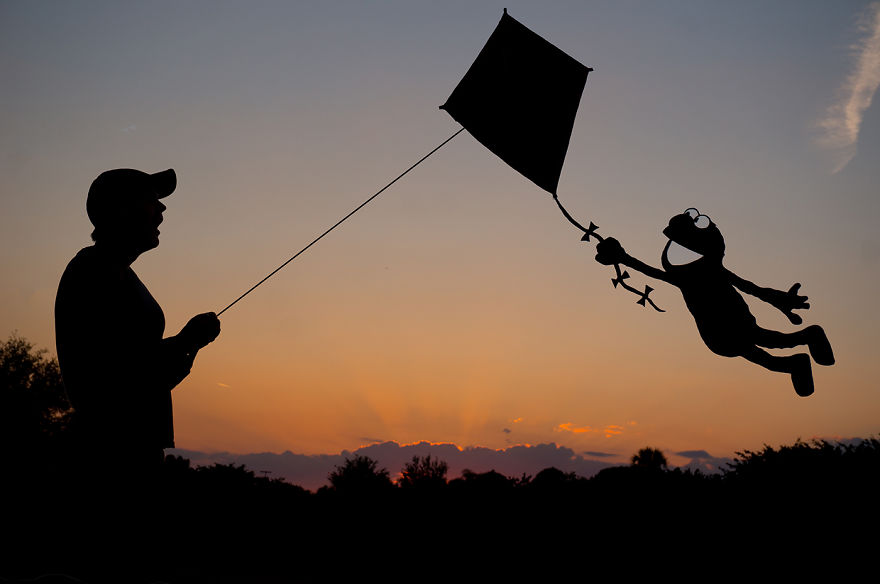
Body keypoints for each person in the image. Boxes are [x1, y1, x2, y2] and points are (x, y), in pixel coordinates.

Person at [55, 168, 220, 473]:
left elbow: (143, 374)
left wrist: (188, 344)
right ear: (122, 210)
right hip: (114, 454)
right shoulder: (93, 271)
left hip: (135, 449)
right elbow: (116, 376)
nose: (162, 208)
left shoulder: (113, 272)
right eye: (151, 199)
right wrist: (185, 342)